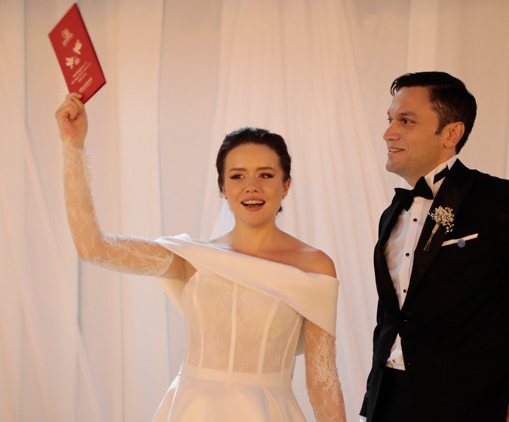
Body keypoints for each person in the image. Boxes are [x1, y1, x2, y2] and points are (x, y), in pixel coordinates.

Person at [55, 93, 346, 421]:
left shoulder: (313, 266)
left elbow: (322, 381)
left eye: (265, 175)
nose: (251, 186)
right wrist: (73, 146)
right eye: (237, 176)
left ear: (286, 185)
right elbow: (93, 248)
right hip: (191, 410)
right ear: (222, 187)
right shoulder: (192, 258)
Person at [359, 72, 509, 421]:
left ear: (451, 133)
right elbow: (392, 316)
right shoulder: (393, 213)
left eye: (406, 121)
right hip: (386, 401)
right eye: (390, 120)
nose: (389, 133)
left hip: (465, 406)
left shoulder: (498, 201)